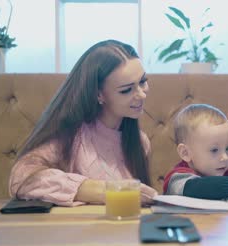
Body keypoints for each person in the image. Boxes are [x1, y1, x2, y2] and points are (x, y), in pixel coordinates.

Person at [9, 39, 158, 206]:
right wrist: (101, 191)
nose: (142, 95)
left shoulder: (141, 142)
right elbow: (21, 178)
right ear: (99, 94)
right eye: (126, 90)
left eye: (143, 82)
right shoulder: (72, 137)